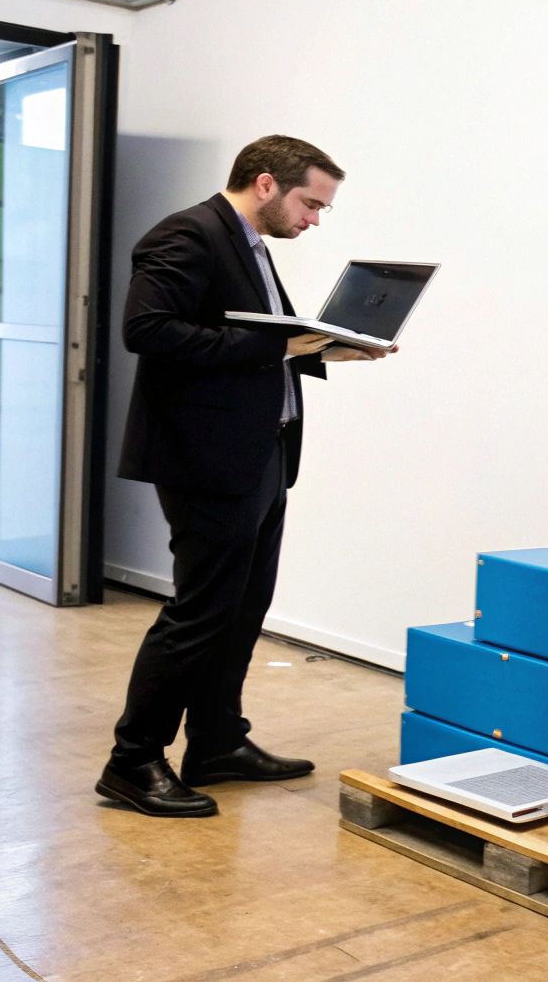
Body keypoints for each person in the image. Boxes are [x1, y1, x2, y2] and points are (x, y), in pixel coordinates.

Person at [96, 135, 389, 817]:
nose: (315, 219)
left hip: (262, 453)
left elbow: (259, 341)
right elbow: (148, 331)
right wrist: (280, 344)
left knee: (242, 607)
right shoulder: (186, 235)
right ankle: (132, 762)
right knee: (197, 614)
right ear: (265, 184)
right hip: (206, 459)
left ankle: (219, 742)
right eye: (311, 203)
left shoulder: (251, 245)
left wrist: (327, 352)